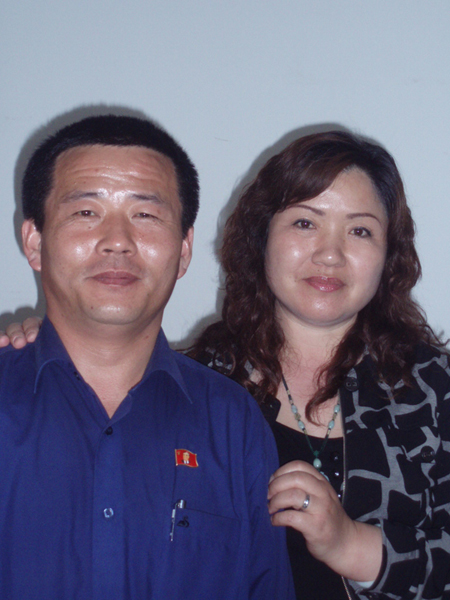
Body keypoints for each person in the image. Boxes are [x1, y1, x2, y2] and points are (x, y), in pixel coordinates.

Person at [5, 130, 450, 600]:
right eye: (305, 223)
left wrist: (352, 545)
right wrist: (42, 349)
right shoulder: (205, 386)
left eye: (360, 231)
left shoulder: (432, 390)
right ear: (262, 237)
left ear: (389, 253)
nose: (329, 253)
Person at [0, 114, 294, 599]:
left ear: (184, 250)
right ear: (35, 242)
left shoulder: (233, 422)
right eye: (86, 212)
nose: (118, 240)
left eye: (146, 215)